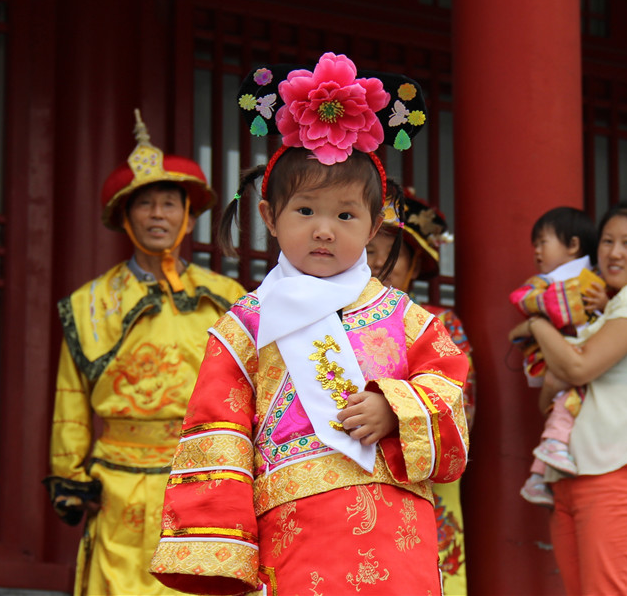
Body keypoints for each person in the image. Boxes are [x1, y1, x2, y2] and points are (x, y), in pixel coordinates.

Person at [149, 52, 469, 595]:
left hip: (397, 536)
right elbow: (219, 433)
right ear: (269, 216)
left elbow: (450, 391)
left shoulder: (408, 320)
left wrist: (396, 408)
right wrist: (227, 551)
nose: (325, 230)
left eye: (345, 215)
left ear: (374, 226)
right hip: (293, 537)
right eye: (305, 211)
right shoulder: (243, 326)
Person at [43, 110, 246, 596]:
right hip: (120, 484)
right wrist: (68, 475)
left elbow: (254, 387)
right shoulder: (90, 304)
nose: (158, 215)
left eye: (169, 204)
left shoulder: (228, 297)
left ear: (188, 216)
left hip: (206, 473)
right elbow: (72, 396)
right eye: (145, 204)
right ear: (125, 216)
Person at [511, 199, 627, 595]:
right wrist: (559, 367)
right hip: (568, 474)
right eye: (607, 241)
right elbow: (548, 398)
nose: (614, 252)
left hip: (614, 471)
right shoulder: (605, 309)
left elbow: (576, 369)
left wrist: (538, 326)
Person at [365, 183, 475, 594]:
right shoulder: (324, 323)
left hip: (422, 475)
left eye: (392, 251)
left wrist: (394, 414)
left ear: (413, 264)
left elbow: (460, 412)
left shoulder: (438, 325)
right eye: (368, 249)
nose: (378, 261)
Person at [505, 207, 605, 508]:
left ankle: (539, 476)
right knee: (570, 398)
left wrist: (604, 301)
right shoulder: (543, 284)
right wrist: (570, 301)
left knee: (568, 405)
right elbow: (521, 298)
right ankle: (552, 448)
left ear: (573, 245)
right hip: (559, 357)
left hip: (584, 356)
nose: (536, 251)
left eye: (543, 242)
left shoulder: (598, 282)